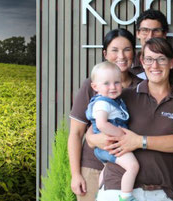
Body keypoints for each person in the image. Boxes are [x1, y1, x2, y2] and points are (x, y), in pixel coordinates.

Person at [88, 38, 173, 201]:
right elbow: (91, 137)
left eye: (161, 59)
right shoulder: (124, 95)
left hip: (160, 192)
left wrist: (139, 141)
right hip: (117, 188)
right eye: (149, 59)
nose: (154, 65)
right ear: (142, 61)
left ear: (171, 62)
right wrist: (103, 138)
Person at [69, 28, 142, 201]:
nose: (121, 56)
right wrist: (76, 174)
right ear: (105, 53)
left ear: (134, 52)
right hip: (94, 167)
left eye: (127, 49)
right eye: (114, 50)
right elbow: (76, 133)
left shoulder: (141, 86)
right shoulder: (91, 85)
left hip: (127, 166)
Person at [85, 62, 139, 201]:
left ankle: (100, 192)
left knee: (107, 169)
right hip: (111, 146)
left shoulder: (113, 101)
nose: (113, 87)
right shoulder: (103, 103)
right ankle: (126, 196)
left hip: (104, 149)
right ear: (95, 86)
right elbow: (101, 124)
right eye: (106, 83)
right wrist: (123, 136)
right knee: (133, 166)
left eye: (117, 82)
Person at [134, 10, 173, 88]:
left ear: (164, 34)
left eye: (156, 30)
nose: (150, 36)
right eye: (145, 30)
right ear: (138, 34)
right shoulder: (127, 68)